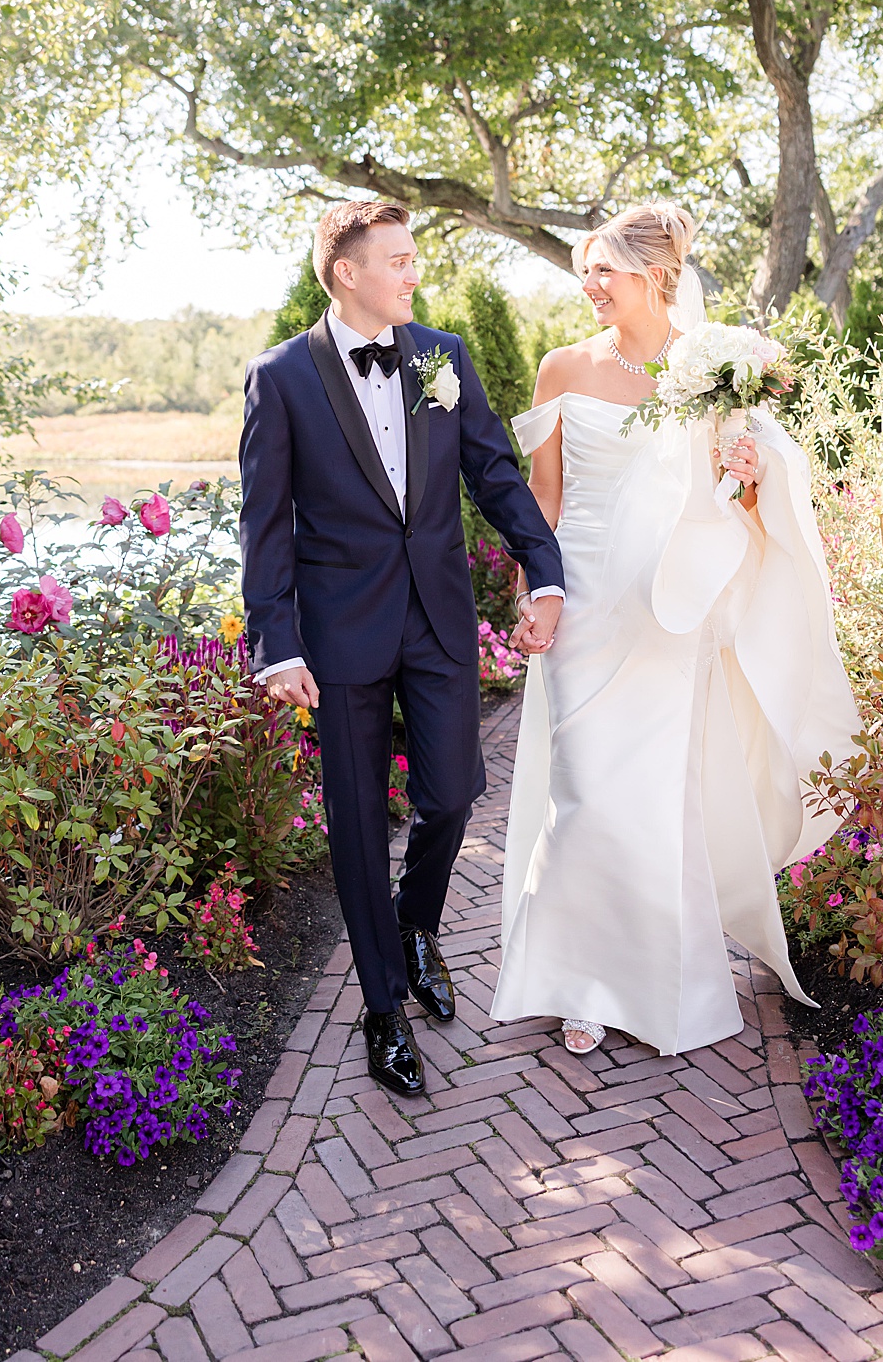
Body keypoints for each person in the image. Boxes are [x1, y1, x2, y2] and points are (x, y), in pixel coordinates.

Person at [491, 205, 856, 1056]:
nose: (590, 285)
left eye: (604, 271)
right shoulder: (562, 366)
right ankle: (578, 982)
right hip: (583, 598)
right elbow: (543, 495)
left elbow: (743, 502)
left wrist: (749, 474)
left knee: (655, 796)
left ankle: (658, 983)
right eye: (585, 271)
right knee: (584, 792)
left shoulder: (714, 372)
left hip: (668, 610)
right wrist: (534, 588)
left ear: (655, 277)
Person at [238, 200, 565, 1098]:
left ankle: (416, 924)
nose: (414, 273)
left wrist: (544, 572)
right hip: (339, 633)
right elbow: (264, 524)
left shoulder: (440, 357)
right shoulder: (281, 376)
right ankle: (382, 1008)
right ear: (347, 272)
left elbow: (494, 474)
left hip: (437, 616)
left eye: (414, 258)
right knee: (354, 825)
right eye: (399, 260)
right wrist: (276, 645)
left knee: (452, 794)